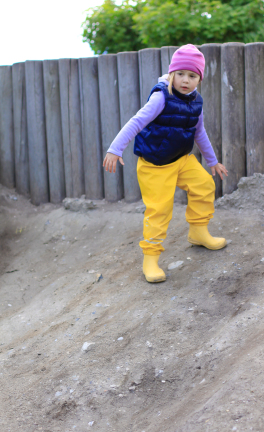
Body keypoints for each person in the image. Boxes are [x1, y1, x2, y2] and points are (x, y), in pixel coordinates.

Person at [103, 44, 228, 283]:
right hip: (155, 165)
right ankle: (150, 258)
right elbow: (136, 122)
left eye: (192, 76)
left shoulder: (196, 102)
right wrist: (115, 149)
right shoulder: (161, 97)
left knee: (204, 185)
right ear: (172, 73)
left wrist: (213, 161)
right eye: (180, 74)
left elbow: (199, 132)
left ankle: (199, 232)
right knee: (159, 210)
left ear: (199, 79)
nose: (185, 80)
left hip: (181, 160)